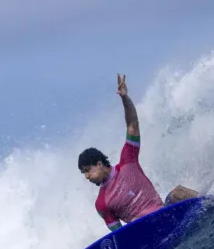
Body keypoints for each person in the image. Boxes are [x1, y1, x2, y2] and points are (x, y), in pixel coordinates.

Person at [78, 73, 199, 231]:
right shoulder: (101, 203)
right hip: (144, 230)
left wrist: (125, 98)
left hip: (164, 212)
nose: (87, 177)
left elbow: (132, 124)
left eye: (88, 170)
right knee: (137, 223)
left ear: (99, 164)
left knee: (177, 193)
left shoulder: (128, 161)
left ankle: (213, 204)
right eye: (84, 173)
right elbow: (119, 235)